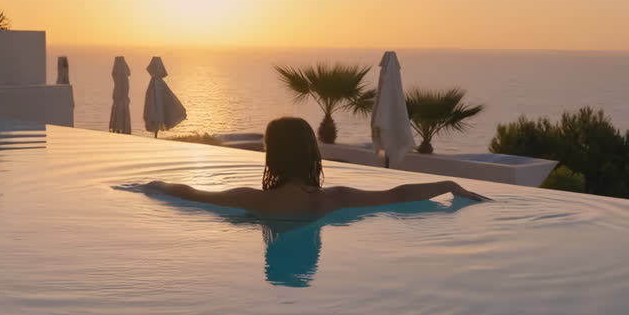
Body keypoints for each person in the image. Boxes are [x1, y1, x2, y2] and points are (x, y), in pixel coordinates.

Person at [144, 116, 488, 216]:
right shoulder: (335, 200)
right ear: (313, 153)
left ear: (272, 156)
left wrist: (151, 186)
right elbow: (396, 193)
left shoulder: (251, 200)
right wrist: (448, 185)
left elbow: (190, 193)